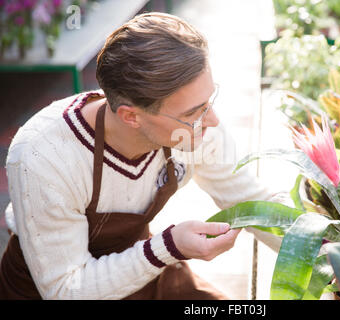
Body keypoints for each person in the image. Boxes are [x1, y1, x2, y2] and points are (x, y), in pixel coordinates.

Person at [0, 12, 288, 300]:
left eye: (208, 101)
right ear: (131, 117)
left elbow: (251, 200)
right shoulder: (45, 155)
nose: (212, 120)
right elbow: (67, 289)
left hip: (140, 268)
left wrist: (323, 248)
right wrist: (168, 247)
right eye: (192, 112)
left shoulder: (197, 129)